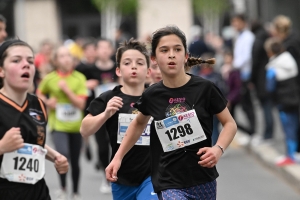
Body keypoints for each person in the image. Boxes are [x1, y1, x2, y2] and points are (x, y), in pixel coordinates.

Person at [106, 26, 237, 200]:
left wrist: (218, 149)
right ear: (153, 59)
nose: (171, 55)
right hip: (168, 181)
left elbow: (230, 123)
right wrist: (118, 157)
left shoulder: (205, 88)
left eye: (177, 49)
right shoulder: (152, 95)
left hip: (203, 178)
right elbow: (138, 123)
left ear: (186, 56)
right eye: (164, 50)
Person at [80, 38, 158, 200]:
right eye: (127, 63)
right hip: (121, 174)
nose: (134, 67)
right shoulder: (109, 97)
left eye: (140, 63)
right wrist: (106, 114)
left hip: (153, 175)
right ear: (118, 71)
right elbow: (85, 129)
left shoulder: (156, 98)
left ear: (149, 71)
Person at [0, 39, 68, 200]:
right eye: (16, 60)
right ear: (1, 70)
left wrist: (55, 156)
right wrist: (2, 146)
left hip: (37, 192)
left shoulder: (37, 104)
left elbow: (34, 142)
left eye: (30, 61)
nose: (26, 65)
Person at [37, 46, 87, 200]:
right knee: (62, 155)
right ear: (56, 61)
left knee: (75, 159)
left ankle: (76, 191)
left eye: (69, 56)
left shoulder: (79, 78)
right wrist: (47, 101)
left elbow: (81, 105)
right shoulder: (50, 78)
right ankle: (63, 188)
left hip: (76, 126)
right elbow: (39, 92)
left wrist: (67, 91)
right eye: (62, 56)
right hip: (57, 125)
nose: (66, 59)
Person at [264, 38, 299, 166]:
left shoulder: (274, 67)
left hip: (283, 101)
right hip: (294, 99)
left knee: (287, 128)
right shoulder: (290, 61)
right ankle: (294, 153)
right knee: (294, 127)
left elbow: (269, 87)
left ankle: (290, 155)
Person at [270, 15, 300, 153]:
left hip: (292, 88)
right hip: (293, 88)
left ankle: (294, 151)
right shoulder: (293, 40)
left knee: (292, 121)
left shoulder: (289, 45)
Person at [231, 13, 256, 145]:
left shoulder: (248, 37)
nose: (234, 25)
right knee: (243, 105)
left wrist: (233, 65)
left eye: (236, 22)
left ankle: (253, 132)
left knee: (248, 105)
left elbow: (246, 56)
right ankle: (250, 132)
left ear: (243, 22)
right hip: (239, 75)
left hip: (245, 75)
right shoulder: (239, 36)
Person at [250, 20, 274, 145]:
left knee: (265, 107)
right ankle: (269, 133)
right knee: (269, 106)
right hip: (269, 76)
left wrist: (251, 79)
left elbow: (255, 63)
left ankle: (268, 134)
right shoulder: (268, 38)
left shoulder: (257, 41)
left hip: (260, 79)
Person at [198, 53, 227, 145]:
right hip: (216, 105)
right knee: (214, 127)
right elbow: (223, 89)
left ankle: (212, 145)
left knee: (207, 127)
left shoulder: (198, 77)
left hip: (203, 107)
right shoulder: (217, 76)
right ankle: (216, 145)